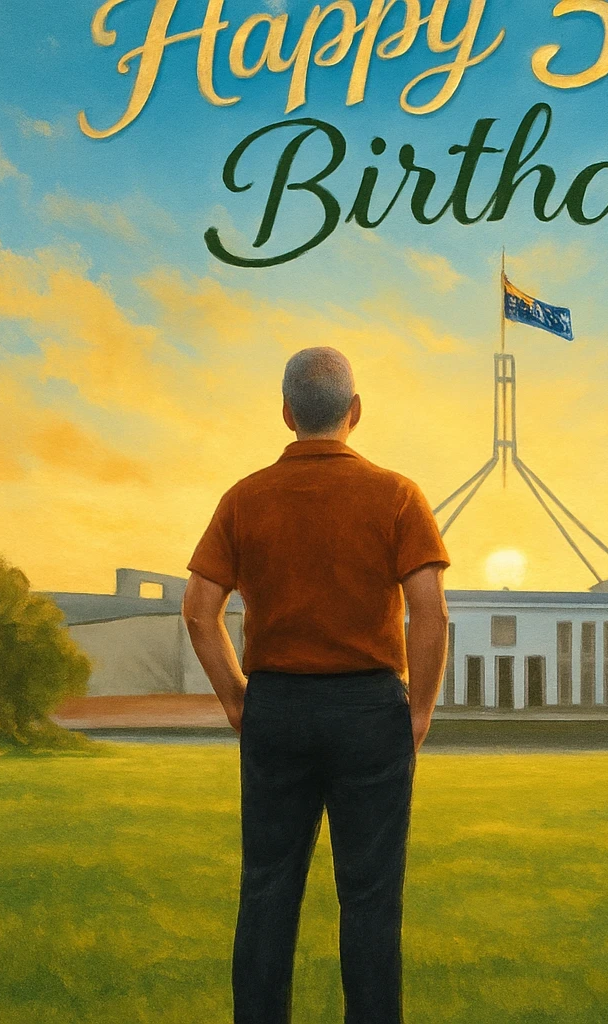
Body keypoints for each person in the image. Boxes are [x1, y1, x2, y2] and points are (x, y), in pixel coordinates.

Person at [181, 346, 450, 1024]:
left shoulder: (244, 499)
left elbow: (197, 609)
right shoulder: (397, 495)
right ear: (355, 412)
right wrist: (418, 710)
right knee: (370, 899)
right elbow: (431, 610)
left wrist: (236, 698)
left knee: (267, 892)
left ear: (286, 412)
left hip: (276, 707)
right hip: (370, 712)